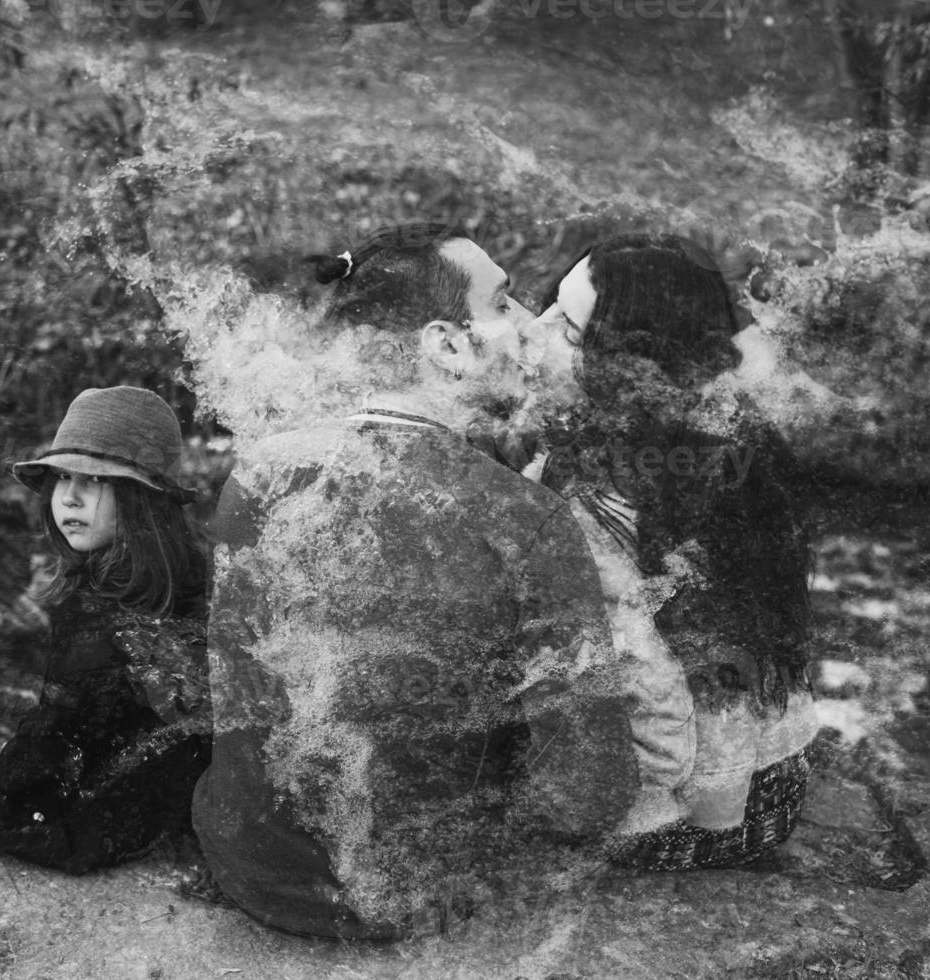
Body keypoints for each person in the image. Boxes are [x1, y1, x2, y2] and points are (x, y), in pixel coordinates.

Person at [192, 224, 639, 940]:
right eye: (504, 303)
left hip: (249, 862)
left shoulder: (261, 470)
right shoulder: (527, 520)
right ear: (447, 345)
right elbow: (589, 796)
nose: (527, 326)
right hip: (410, 893)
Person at [516, 232, 817, 870]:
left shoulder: (602, 499)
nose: (533, 328)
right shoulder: (728, 433)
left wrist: (627, 813)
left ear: (627, 362)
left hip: (693, 814)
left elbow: (648, 692)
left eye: (567, 328)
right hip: (777, 780)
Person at [0, 386, 211, 874]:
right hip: (195, 784)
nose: (68, 497)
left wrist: (23, 787)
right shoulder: (193, 572)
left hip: (135, 808)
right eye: (62, 477)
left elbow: (60, 729)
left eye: (94, 480)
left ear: (141, 497)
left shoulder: (92, 607)